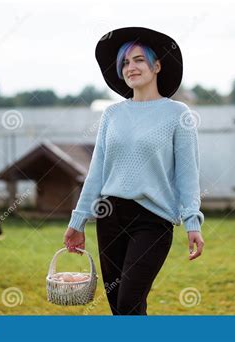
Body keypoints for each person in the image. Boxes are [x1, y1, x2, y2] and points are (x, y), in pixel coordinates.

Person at [63, 27, 205, 315]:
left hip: (153, 221)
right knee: (120, 307)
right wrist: (78, 221)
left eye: (139, 60)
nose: (131, 67)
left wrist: (192, 221)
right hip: (109, 217)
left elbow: (188, 174)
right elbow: (97, 172)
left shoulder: (178, 115)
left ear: (157, 66)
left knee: (128, 300)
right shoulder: (112, 115)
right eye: (125, 63)